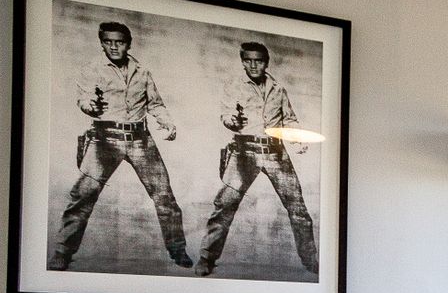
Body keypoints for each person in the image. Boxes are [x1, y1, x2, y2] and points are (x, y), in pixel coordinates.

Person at [50, 21, 191, 271]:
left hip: (140, 139)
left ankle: (178, 250)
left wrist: (168, 123)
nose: (114, 47)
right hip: (105, 139)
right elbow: (83, 98)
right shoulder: (92, 69)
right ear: (102, 42)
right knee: (82, 196)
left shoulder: (142, 71)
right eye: (108, 41)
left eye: (120, 42)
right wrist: (90, 106)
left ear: (128, 44)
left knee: (164, 197)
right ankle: (62, 252)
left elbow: (155, 103)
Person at [197, 41, 318, 277]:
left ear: (266, 63)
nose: (254, 65)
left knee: (298, 209)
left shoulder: (278, 89)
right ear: (243, 62)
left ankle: (311, 260)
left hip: (275, 152)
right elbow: (226, 114)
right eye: (249, 60)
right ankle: (206, 259)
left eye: (259, 60)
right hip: (244, 153)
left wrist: (299, 139)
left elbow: (289, 119)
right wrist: (232, 121)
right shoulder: (234, 86)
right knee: (224, 206)